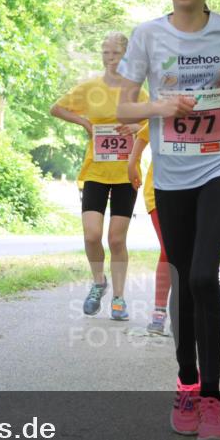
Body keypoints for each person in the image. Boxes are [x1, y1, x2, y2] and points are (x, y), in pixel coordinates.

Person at [117, 0, 220, 440]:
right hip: (172, 173)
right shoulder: (148, 36)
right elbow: (123, 109)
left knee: (201, 274)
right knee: (180, 277)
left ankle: (213, 399)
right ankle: (187, 382)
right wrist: (162, 106)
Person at [51, 33, 146, 321]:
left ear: (126, 56)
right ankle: (98, 283)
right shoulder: (90, 88)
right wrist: (84, 122)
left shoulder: (136, 91)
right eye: (106, 52)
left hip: (125, 172)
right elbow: (57, 108)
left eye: (116, 53)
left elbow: (153, 119)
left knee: (116, 239)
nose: (110, 58)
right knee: (92, 235)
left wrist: (135, 128)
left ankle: (119, 298)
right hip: (95, 170)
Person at [127, 125, 171, 335]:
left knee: (192, 254)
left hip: (197, 189)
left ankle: (186, 310)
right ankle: (159, 310)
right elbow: (144, 134)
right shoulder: (166, 111)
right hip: (159, 190)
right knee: (169, 249)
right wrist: (132, 162)